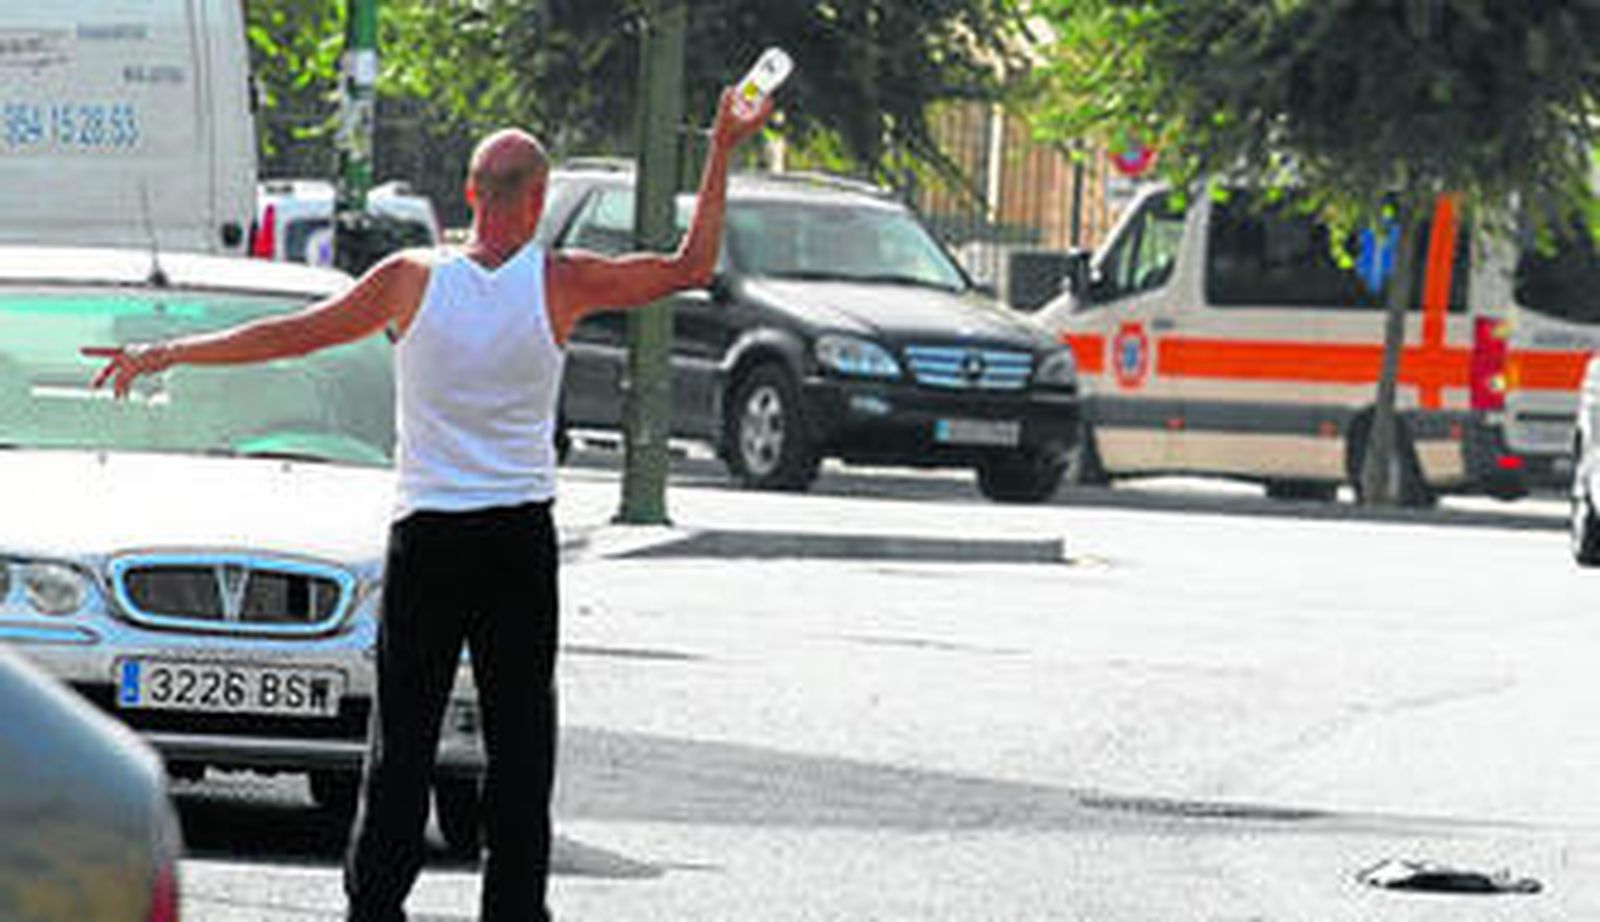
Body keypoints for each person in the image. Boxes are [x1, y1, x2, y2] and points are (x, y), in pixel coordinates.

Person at [84, 86, 774, 922]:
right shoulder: (560, 283)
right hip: (517, 537)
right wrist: (723, 146)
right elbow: (690, 265)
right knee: (521, 743)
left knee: (403, 740)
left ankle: (375, 904)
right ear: (539, 199)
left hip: (427, 537)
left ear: (472, 194)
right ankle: (513, 909)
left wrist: (167, 353)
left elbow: (292, 335)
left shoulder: (409, 281)